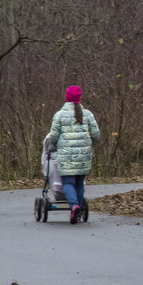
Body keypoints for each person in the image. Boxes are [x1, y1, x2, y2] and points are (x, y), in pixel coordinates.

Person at [48, 85, 100, 224]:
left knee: (68, 182)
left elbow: (53, 136)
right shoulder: (87, 114)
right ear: (79, 98)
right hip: (84, 154)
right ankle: (79, 208)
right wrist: (91, 145)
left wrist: (51, 147)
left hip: (66, 155)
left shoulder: (59, 115)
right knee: (79, 182)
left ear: (67, 97)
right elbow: (96, 134)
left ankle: (74, 206)